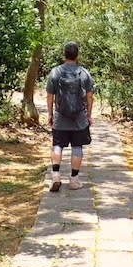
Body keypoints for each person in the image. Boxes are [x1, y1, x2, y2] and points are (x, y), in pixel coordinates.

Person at [45, 42, 94, 191]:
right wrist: (89, 115)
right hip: (79, 118)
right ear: (77, 55)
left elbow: (49, 96)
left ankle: (55, 176)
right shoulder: (84, 73)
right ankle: (74, 180)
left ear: (64, 54)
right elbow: (90, 96)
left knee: (57, 145)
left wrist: (50, 114)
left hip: (60, 116)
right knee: (77, 147)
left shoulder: (55, 72)